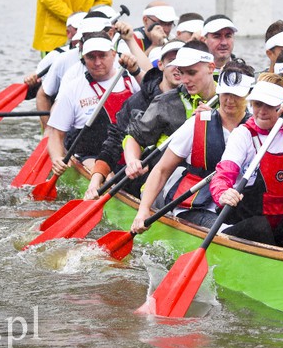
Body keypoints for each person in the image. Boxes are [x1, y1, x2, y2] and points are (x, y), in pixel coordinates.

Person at [128, 60, 254, 229]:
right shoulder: (197, 124)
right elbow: (161, 170)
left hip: (236, 205)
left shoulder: (258, 129)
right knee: (237, 231)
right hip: (196, 204)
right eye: (225, 93)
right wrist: (143, 210)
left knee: (260, 228)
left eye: (237, 95)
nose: (230, 100)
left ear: (249, 94)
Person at [85, 40, 185, 199]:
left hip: (183, 175)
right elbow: (114, 142)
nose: (178, 67)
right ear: (160, 65)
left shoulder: (198, 98)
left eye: (183, 62)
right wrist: (96, 180)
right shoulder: (137, 102)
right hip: (140, 177)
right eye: (172, 61)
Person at [210, 75, 283, 246]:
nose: (262, 111)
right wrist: (222, 193)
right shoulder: (243, 134)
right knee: (260, 227)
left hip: (282, 224)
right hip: (245, 224)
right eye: (258, 104)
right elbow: (223, 175)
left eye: (269, 105)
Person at [122, 41, 218, 183]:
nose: (184, 80)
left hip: (213, 181)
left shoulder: (229, 100)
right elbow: (134, 137)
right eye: (181, 72)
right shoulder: (165, 102)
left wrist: (215, 124)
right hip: (167, 184)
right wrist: (132, 161)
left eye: (191, 73)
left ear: (211, 67)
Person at [46, 33, 141, 175]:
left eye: (102, 56)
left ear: (113, 54)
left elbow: (159, 92)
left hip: (132, 154)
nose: (97, 62)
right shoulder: (73, 89)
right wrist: (57, 158)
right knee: (107, 178)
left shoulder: (130, 78)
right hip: (91, 157)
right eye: (91, 57)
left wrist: (137, 70)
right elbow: (56, 134)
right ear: (84, 58)